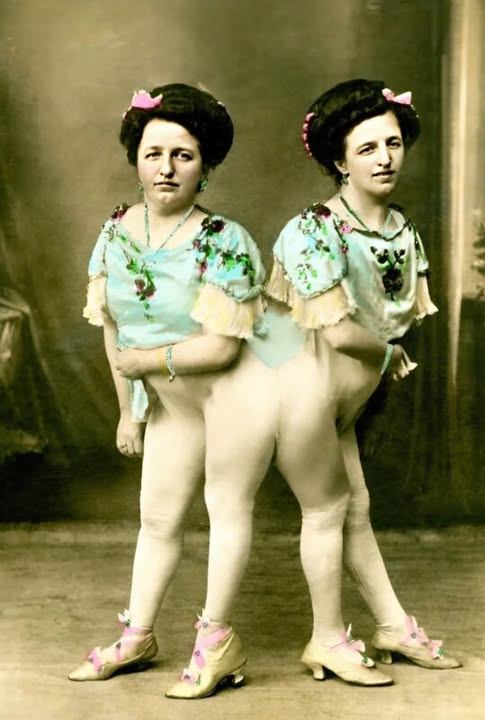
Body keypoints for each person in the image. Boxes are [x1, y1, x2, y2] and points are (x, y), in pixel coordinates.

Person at [167, 78, 460, 699]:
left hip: (331, 397)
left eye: (392, 143)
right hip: (278, 389)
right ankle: (317, 638)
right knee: (318, 510)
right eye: (366, 148)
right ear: (339, 161)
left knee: (354, 507)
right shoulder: (314, 230)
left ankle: (390, 625)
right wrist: (389, 354)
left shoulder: (402, 230)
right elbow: (340, 331)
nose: (384, 158)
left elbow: (384, 321)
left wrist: (375, 363)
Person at [68, 83, 265, 683]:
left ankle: (216, 642)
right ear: (136, 159)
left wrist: (146, 363)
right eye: (153, 153)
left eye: (183, 155)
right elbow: (112, 326)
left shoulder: (224, 240)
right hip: (174, 404)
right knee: (156, 518)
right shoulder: (115, 232)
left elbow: (223, 347)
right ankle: (138, 636)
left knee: (225, 509)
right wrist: (129, 411)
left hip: (237, 398)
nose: (166, 168)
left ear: (205, 167)